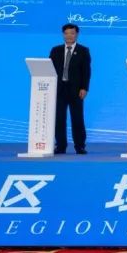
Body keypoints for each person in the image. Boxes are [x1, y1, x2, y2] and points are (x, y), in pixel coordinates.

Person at [50, 23, 91, 155]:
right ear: (63, 35)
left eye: (72, 33)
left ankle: (80, 146)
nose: (69, 36)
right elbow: (50, 70)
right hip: (59, 90)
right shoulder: (55, 50)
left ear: (76, 35)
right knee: (59, 119)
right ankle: (60, 146)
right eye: (66, 33)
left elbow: (86, 71)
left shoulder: (83, 50)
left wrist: (84, 88)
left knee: (77, 119)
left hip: (76, 90)